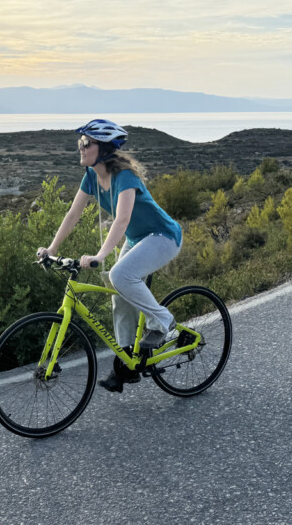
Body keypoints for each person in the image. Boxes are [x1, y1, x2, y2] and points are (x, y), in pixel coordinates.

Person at [36, 119, 183, 393]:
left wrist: (100, 255)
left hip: (163, 236)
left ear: (102, 149)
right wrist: (51, 249)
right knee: (117, 292)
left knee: (119, 275)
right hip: (139, 240)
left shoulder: (125, 176)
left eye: (85, 143)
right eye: (80, 142)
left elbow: (123, 218)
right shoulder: (92, 176)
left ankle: (164, 323)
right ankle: (127, 362)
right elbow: (73, 214)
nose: (80, 147)